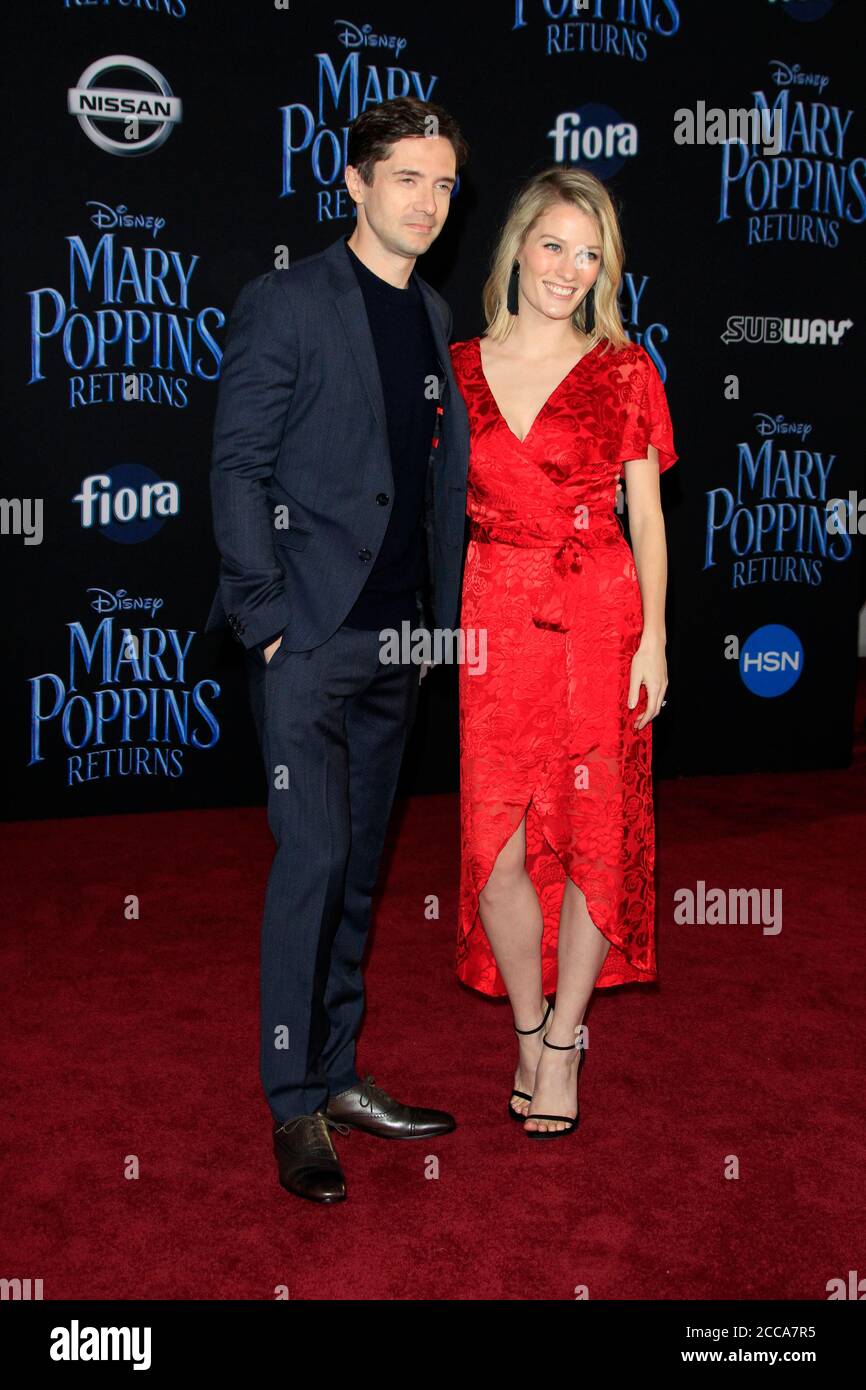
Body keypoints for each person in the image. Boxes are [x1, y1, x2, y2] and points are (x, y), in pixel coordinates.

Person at [205, 97, 471, 1202]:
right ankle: (291, 1102)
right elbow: (236, 467)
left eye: (444, 183)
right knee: (311, 863)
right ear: (355, 182)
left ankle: (339, 1069)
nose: (426, 199)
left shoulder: (433, 312)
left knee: (360, 871)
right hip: (308, 637)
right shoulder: (287, 301)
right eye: (406, 176)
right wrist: (265, 617)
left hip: (402, 637)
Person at [449, 166, 677, 1138]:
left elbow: (650, 517)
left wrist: (654, 638)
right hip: (491, 613)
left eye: (590, 256)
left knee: (591, 835)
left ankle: (561, 1045)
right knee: (491, 847)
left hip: (596, 610)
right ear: (514, 246)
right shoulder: (453, 365)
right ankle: (530, 1024)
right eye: (554, 245)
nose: (569, 270)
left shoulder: (624, 369)